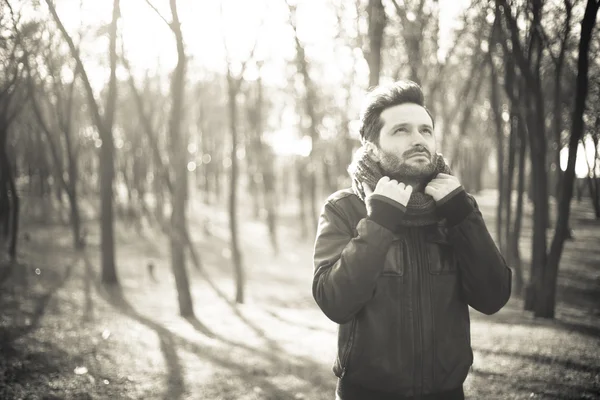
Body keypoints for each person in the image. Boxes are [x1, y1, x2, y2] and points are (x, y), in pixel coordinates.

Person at [312, 80, 512, 400]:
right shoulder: (345, 208)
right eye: (401, 130)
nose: (418, 140)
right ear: (372, 147)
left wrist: (462, 215)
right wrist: (380, 220)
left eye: (425, 130)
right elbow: (335, 301)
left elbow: (493, 296)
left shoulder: (457, 208)